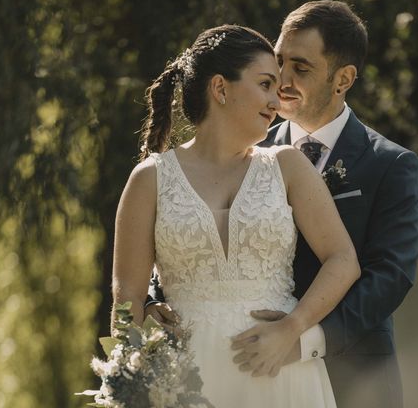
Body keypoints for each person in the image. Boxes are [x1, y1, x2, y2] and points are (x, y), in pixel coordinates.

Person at [113, 24, 360, 408]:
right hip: (188, 375)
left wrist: (292, 330)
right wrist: (137, 379)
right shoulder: (150, 178)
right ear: (220, 88)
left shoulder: (287, 166)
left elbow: (343, 260)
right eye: (265, 84)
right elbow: (125, 300)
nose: (276, 102)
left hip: (281, 376)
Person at [228, 1, 418, 408]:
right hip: (254, 372)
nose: (281, 78)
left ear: (343, 79)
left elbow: (389, 276)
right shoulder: (244, 151)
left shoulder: (390, 164)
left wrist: (303, 341)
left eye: (301, 68)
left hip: (354, 379)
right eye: (278, 60)